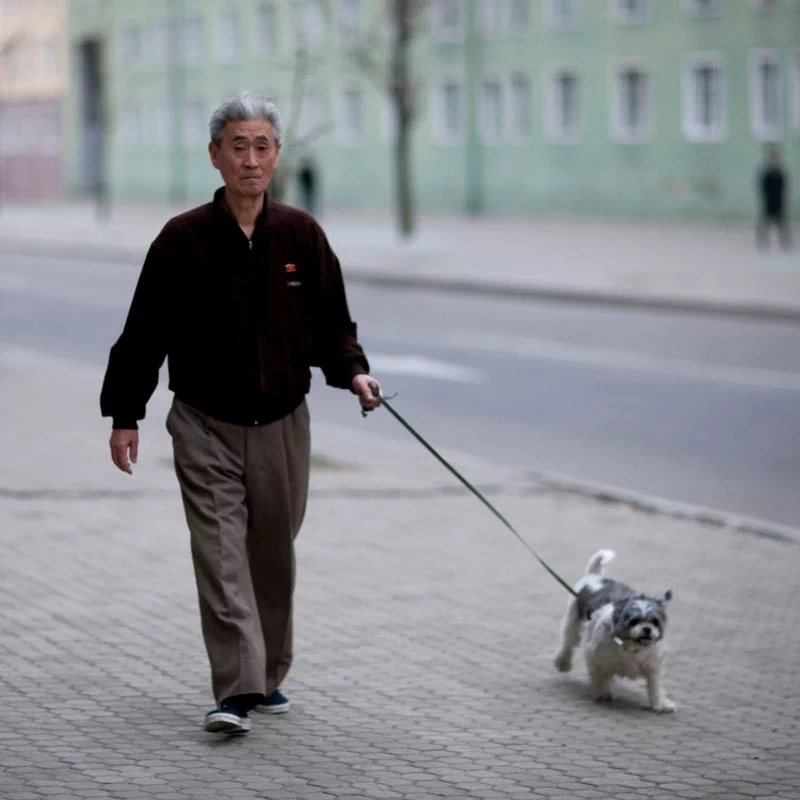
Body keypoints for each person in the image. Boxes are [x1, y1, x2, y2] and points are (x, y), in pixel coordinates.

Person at [100, 91, 381, 735]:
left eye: (262, 146)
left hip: (283, 423)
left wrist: (355, 373)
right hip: (204, 423)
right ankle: (236, 690)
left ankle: (268, 675)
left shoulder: (301, 235)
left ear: (277, 154)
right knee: (222, 556)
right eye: (238, 146)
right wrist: (125, 413)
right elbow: (143, 332)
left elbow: (332, 325)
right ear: (215, 156)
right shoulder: (183, 240)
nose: (251, 160)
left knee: (271, 557)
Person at [756, 146, 791, 251]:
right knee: (765, 225)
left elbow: (784, 188)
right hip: (769, 203)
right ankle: (763, 243)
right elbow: (763, 188)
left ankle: (785, 244)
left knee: (782, 226)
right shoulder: (767, 174)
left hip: (779, 204)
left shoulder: (780, 174)